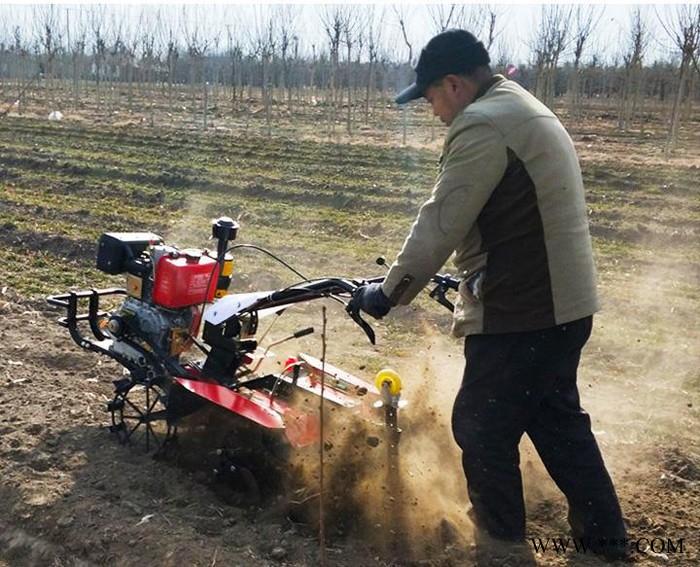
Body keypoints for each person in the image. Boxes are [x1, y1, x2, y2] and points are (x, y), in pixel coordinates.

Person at [351, 29, 628, 560]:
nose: (434, 112)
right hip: (564, 306)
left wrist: (387, 294)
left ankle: (501, 548)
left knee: (479, 426)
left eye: (431, 98)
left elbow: (440, 223)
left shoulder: (480, 123)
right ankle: (605, 545)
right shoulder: (522, 107)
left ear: (453, 84)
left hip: (523, 311)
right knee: (557, 424)